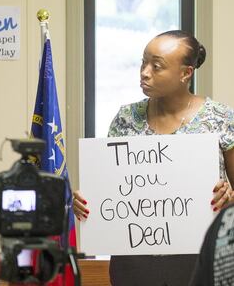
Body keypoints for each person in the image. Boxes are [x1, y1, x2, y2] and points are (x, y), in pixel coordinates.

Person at [72, 30, 234, 286]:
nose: (145, 72)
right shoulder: (126, 119)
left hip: (200, 260)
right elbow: (110, 188)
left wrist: (229, 196)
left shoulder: (221, 118)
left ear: (185, 73)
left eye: (156, 66)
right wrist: (86, 201)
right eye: (143, 62)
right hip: (134, 264)